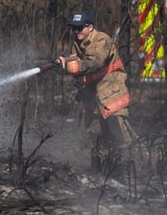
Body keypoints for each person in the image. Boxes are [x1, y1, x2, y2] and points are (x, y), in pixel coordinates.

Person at [57, 11, 134, 156]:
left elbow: (94, 62)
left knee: (117, 129)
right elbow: (74, 60)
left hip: (111, 90)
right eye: (74, 28)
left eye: (80, 28)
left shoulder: (101, 40)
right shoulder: (77, 43)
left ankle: (126, 169)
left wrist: (70, 67)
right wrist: (60, 65)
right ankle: (103, 169)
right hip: (92, 94)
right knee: (96, 133)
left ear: (90, 27)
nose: (76, 31)